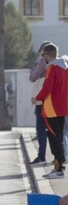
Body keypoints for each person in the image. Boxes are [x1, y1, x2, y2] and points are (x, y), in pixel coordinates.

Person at [33, 43, 67, 180]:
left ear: (47, 55)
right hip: (63, 107)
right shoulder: (65, 67)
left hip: (52, 108)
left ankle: (59, 169)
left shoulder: (52, 68)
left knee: (54, 139)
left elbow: (47, 88)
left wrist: (37, 98)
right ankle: (59, 166)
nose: (43, 58)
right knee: (58, 137)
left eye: (43, 55)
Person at [29, 46, 52, 164]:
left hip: (41, 100)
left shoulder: (42, 62)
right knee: (56, 131)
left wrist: (33, 72)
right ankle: (60, 158)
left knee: (41, 129)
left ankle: (42, 156)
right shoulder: (57, 64)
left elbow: (33, 78)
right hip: (52, 101)